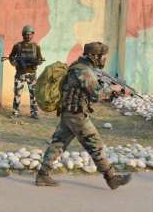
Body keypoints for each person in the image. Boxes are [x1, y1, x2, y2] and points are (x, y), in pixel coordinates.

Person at [35, 42, 132, 190]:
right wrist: (113, 88)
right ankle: (111, 178)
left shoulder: (79, 66)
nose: (105, 59)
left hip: (69, 112)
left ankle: (43, 175)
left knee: (58, 143)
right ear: (95, 56)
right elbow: (96, 95)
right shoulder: (85, 72)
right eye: (103, 57)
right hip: (76, 115)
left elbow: (89, 89)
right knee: (95, 144)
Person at [9, 25, 44, 119]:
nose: (28, 36)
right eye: (26, 34)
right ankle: (15, 111)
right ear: (23, 35)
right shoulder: (17, 46)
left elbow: (40, 59)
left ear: (33, 35)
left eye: (30, 34)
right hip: (20, 74)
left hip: (31, 74)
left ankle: (34, 112)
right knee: (17, 93)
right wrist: (14, 63)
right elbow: (11, 57)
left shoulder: (36, 47)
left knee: (33, 94)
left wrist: (36, 63)